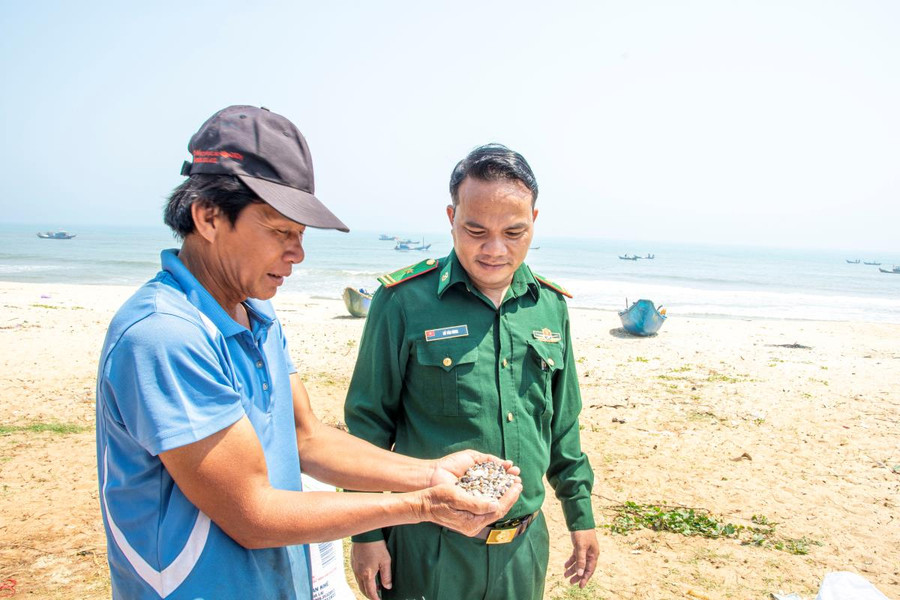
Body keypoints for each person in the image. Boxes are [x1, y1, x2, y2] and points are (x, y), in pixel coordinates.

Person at [94, 106, 521, 600]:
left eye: (301, 234)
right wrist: (423, 504)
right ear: (208, 217)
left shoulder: (254, 310)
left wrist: (432, 472)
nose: (298, 253)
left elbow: (306, 438)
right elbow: (252, 514)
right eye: (281, 231)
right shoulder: (165, 336)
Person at [344, 143, 599, 600]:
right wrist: (366, 534)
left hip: (522, 549)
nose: (495, 249)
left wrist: (581, 516)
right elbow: (368, 424)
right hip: (429, 547)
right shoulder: (403, 301)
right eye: (476, 230)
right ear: (451, 217)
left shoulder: (549, 306)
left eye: (514, 232)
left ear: (534, 221)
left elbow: (563, 425)